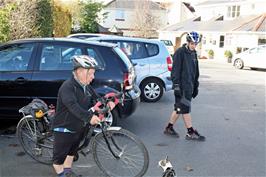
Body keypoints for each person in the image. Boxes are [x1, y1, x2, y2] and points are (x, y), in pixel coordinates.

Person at [51, 55, 115, 177]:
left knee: (72, 151)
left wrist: (110, 100)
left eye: (93, 73)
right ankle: (62, 174)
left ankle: (68, 171)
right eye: (90, 73)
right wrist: (89, 118)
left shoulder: (85, 86)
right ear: (79, 71)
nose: (93, 77)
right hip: (65, 127)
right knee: (58, 159)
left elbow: (97, 99)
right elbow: (73, 106)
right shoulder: (68, 87)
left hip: (79, 125)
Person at [164, 31, 205, 141]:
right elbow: (175, 71)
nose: (194, 46)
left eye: (195, 44)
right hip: (181, 87)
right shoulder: (180, 52)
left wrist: (196, 85)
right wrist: (176, 86)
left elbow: (195, 71)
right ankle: (190, 132)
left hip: (189, 87)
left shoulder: (193, 54)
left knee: (179, 109)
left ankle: (169, 128)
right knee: (185, 109)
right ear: (187, 42)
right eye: (192, 43)